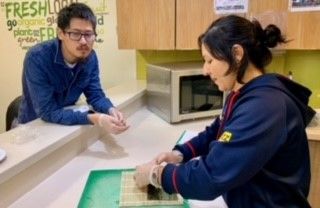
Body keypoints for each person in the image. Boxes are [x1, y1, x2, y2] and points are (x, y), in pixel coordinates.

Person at [134, 15, 315, 207]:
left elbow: (210, 176)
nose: (205, 70)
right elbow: (217, 131)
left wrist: (157, 175)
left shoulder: (265, 107)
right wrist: (181, 153)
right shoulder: (243, 93)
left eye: (209, 60)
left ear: (237, 54)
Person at [17, 3, 128, 134]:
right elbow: (48, 112)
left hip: (66, 125)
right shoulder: (37, 58)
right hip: (35, 127)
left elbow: (95, 95)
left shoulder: (90, 57)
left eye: (88, 34)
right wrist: (95, 118)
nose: (83, 41)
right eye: (75, 34)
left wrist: (110, 109)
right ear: (60, 33)